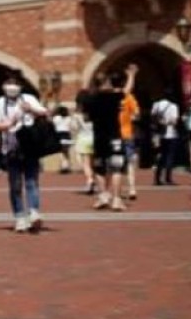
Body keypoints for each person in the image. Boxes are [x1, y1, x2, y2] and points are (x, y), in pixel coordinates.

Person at [0, 76, 48, 232]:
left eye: (15, 84)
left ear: (21, 87)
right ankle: (19, 216)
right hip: (11, 147)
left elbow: (43, 112)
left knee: (31, 182)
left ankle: (33, 212)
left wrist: (31, 109)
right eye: (9, 84)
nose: (12, 87)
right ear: (3, 86)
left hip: (30, 146)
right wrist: (7, 124)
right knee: (15, 185)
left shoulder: (28, 98)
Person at [82, 67, 136, 211]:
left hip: (99, 137)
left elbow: (86, 117)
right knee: (116, 168)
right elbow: (127, 90)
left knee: (99, 168)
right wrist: (131, 75)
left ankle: (103, 196)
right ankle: (117, 199)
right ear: (107, 82)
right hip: (114, 136)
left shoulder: (90, 99)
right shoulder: (114, 96)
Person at [151, 92, 180, 186]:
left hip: (159, 134)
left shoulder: (156, 105)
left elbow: (152, 117)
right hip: (171, 134)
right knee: (169, 156)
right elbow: (175, 121)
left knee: (160, 155)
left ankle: (157, 177)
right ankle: (168, 178)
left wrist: (160, 122)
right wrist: (167, 122)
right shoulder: (173, 106)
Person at [52, 105, 74, 174]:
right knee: (66, 152)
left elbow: (53, 126)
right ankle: (67, 166)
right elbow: (71, 127)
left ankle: (64, 166)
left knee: (61, 152)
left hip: (59, 136)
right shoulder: (69, 118)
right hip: (67, 135)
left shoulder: (56, 118)